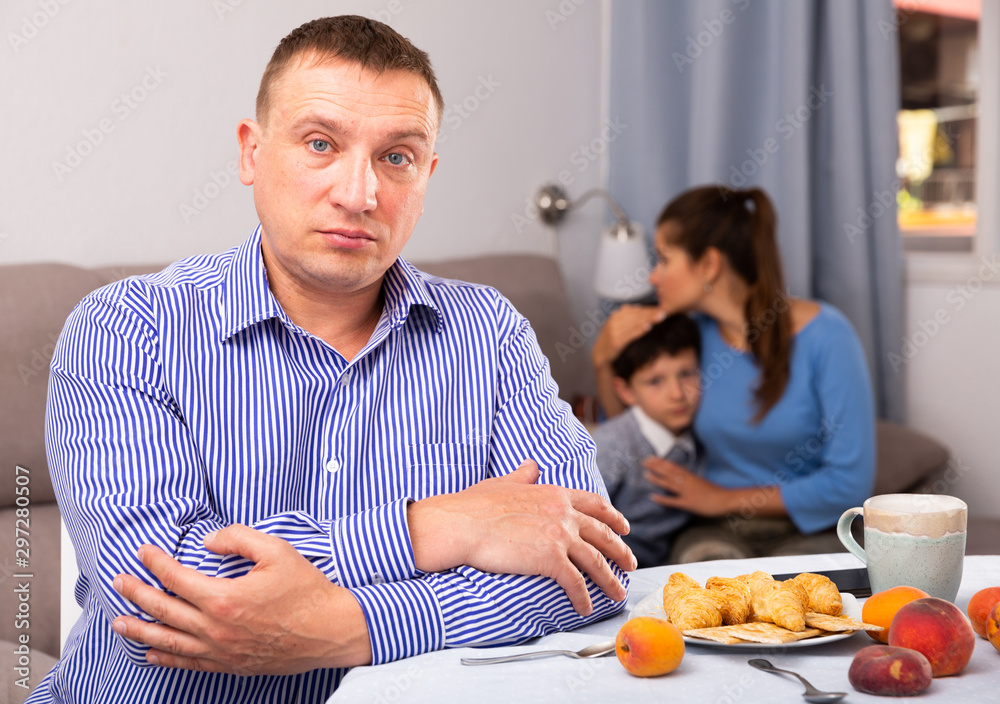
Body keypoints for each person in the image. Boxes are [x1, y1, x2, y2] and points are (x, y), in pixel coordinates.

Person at [30, 16, 636, 704]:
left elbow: (593, 569)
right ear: (251, 153)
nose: (359, 194)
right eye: (321, 144)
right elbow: (163, 593)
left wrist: (351, 629)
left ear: (427, 175)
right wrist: (442, 527)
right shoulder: (126, 328)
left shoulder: (489, 333)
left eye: (397, 157)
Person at [591, 185, 875, 560]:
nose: (653, 277)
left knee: (798, 591)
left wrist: (718, 498)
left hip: (813, 528)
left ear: (708, 264)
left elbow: (849, 484)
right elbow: (636, 429)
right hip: (713, 530)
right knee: (706, 581)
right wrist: (603, 358)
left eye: (663, 259)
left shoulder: (829, 337)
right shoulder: (689, 342)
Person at [592, 314, 702, 567]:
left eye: (687, 373)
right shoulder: (613, 444)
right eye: (655, 381)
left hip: (670, 569)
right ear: (625, 391)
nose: (677, 394)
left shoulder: (703, 433)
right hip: (614, 571)